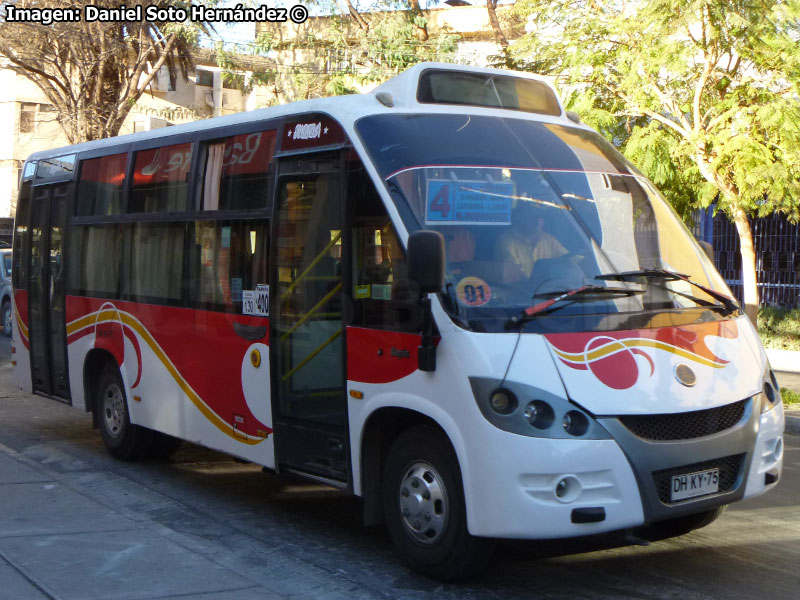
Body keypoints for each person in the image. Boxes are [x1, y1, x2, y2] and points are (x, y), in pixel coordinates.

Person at [495, 208, 568, 281]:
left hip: (549, 287)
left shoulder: (548, 239)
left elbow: (565, 260)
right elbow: (515, 272)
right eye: (533, 218)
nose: (538, 222)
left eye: (540, 219)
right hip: (519, 288)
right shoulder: (506, 240)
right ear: (520, 219)